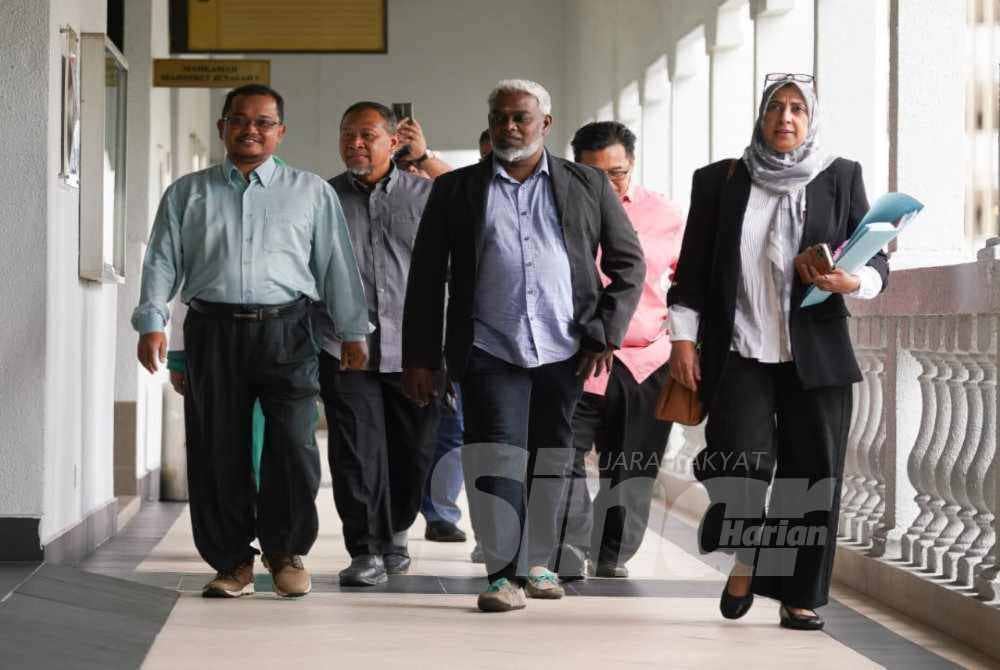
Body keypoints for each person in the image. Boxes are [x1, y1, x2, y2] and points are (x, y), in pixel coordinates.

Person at [402, 79, 645, 612]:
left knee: (554, 457)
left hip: (566, 347)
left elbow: (629, 264)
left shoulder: (587, 185)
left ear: (546, 125)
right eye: (501, 117)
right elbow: (424, 279)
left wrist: (605, 331)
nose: (510, 126)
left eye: (521, 118)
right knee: (495, 457)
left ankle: (540, 563)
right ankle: (502, 575)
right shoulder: (457, 190)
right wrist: (421, 357)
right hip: (490, 346)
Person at [667, 73, 889, 630]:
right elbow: (691, 271)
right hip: (739, 349)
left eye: (797, 109)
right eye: (776, 107)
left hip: (816, 353)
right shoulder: (720, 181)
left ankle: (800, 596)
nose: (785, 118)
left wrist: (853, 281)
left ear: (810, 120)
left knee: (813, 476)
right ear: (761, 115)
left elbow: (877, 257)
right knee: (736, 463)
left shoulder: (840, 176)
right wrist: (682, 340)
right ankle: (750, 552)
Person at [133, 83, 369, 599]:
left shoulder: (310, 192)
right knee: (218, 448)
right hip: (212, 331)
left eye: (264, 122)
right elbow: (162, 262)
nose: (251, 130)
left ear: (280, 132)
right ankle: (233, 562)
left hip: (288, 330)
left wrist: (353, 330)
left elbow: (336, 265)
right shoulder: (187, 193)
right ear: (222, 128)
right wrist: (152, 321)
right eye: (240, 120)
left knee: (293, 445)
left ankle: (286, 553)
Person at [313, 102, 441, 587]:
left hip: (416, 353)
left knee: (414, 453)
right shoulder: (321, 198)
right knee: (354, 452)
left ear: (394, 141)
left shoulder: (428, 196)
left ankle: (398, 528)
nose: (356, 144)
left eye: (367, 135)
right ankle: (365, 549)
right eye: (348, 134)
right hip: (345, 348)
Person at [557, 121, 684, 579]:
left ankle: (611, 554)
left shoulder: (665, 214)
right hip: (574, 356)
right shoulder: (554, 209)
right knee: (559, 454)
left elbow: (686, 286)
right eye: (592, 174)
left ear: (631, 165)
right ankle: (571, 543)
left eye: (617, 173)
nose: (605, 185)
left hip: (644, 359)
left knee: (631, 469)